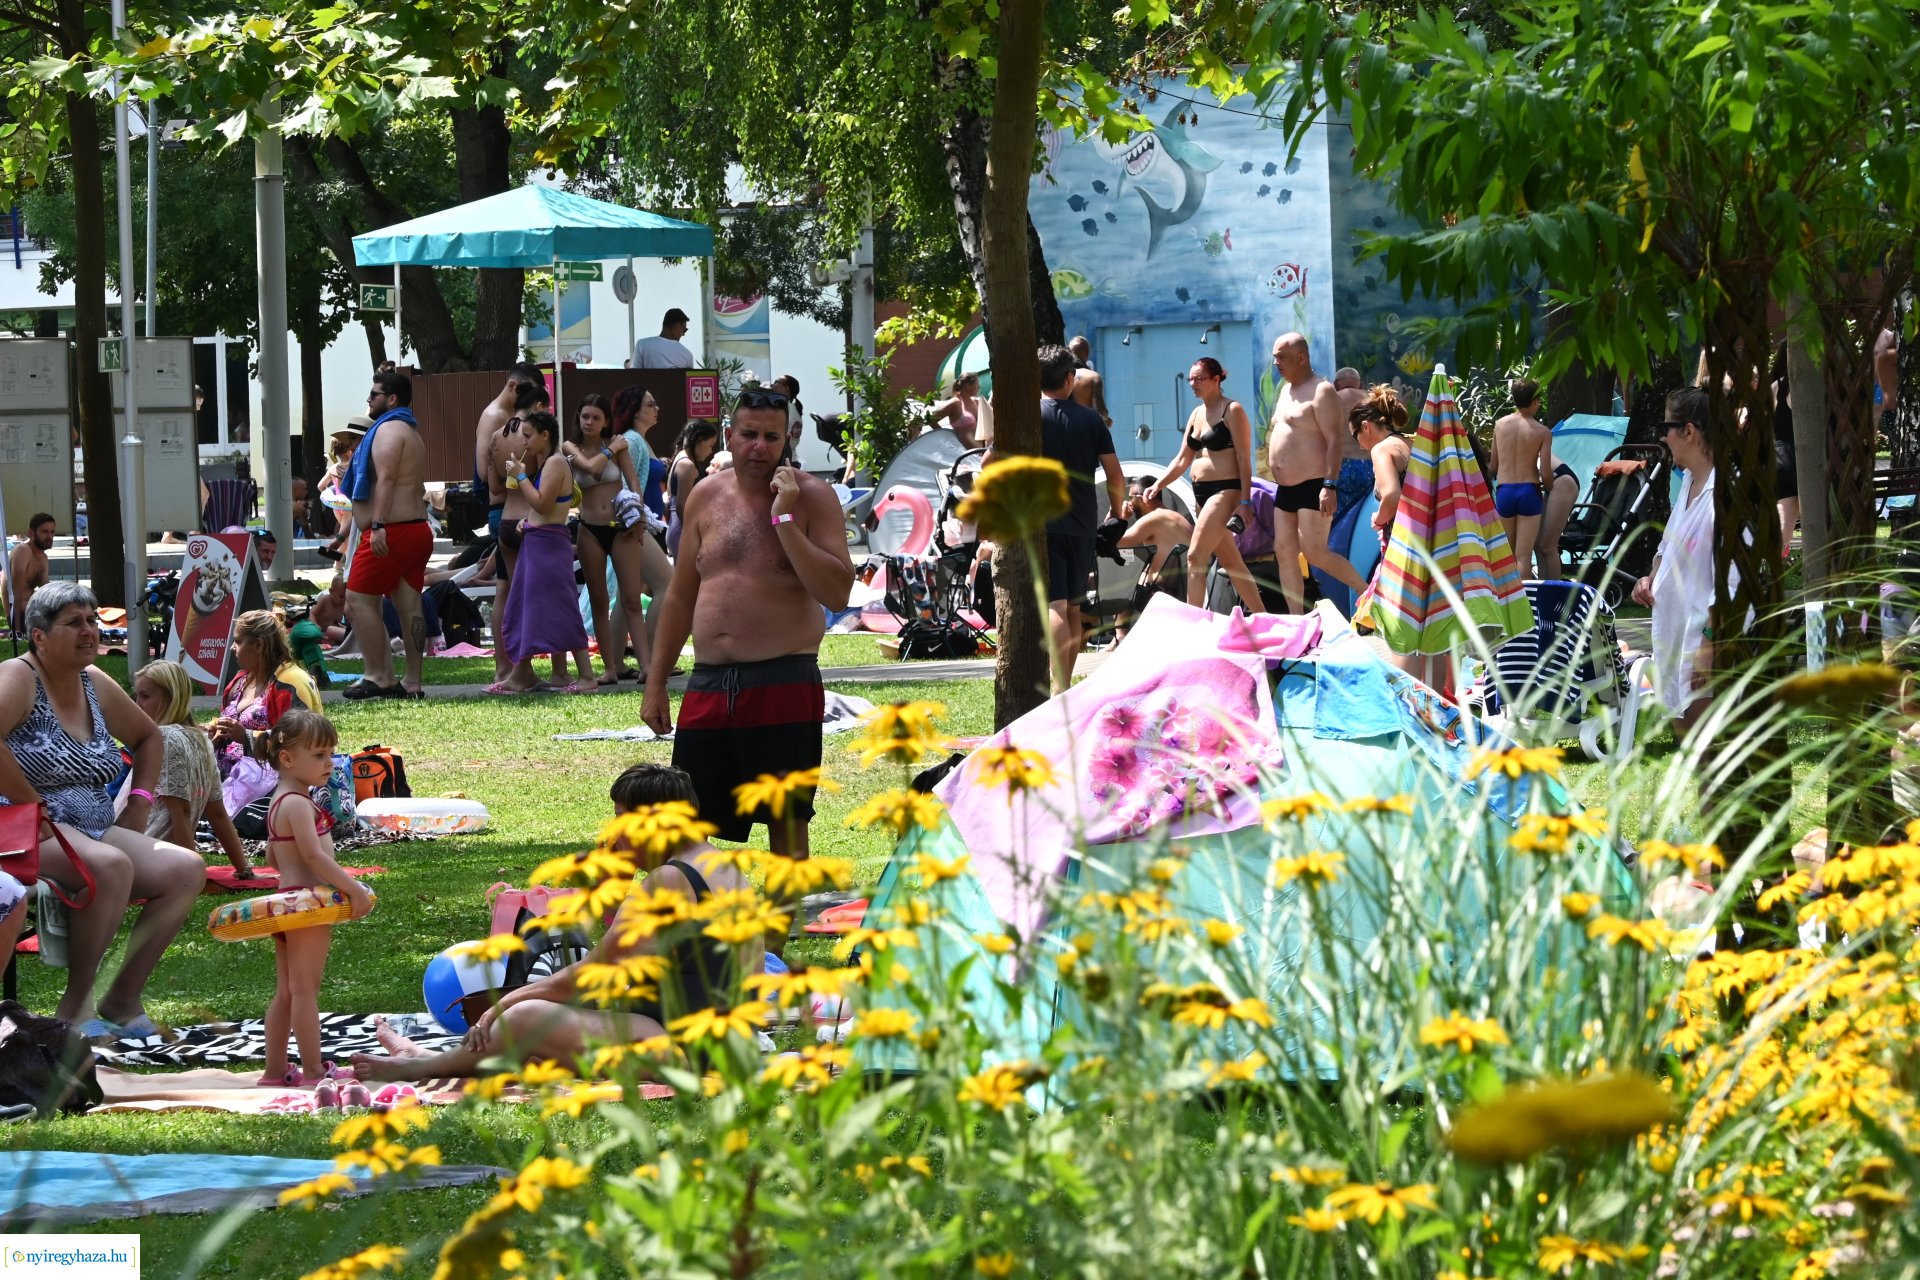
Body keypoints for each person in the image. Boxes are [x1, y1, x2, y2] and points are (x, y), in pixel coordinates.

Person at [352, 764, 760, 1082]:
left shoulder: (670, 880)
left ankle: (417, 1068)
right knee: (547, 1034)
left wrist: (501, 1006)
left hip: (680, 1049)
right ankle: (430, 1059)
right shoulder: (720, 866)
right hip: (724, 1041)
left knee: (525, 1018)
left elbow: (589, 974)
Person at [640, 387, 854, 883]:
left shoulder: (813, 498)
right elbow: (679, 595)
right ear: (729, 436)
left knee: (787, 823)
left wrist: (784, 517)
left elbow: (838, 592)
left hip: (783, 680)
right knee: (689, 821)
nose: (759, 446)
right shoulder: (705, 496)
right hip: (711, 682)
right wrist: (655, 682)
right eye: (749, 434)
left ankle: (773, 951)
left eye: (771, 437)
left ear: (787, 440)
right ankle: (704, 936)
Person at [0, 582, 205, 1036]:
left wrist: (139, 802)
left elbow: (149, 737)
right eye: (75, 623)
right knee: (109, 866)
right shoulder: (17, 677)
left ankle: (122, 999)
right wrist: (30, 801)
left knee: (186, 869)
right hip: (20, 826)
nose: (90, 631)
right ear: (39, 636)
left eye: (92, 620)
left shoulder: (93, 682)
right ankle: (75, 1008)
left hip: (90, 824)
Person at [254, 711, 375, 1087]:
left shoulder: (279, 801)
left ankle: (274, 1071)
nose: (330, 763)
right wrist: (354, 888)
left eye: (331, 753)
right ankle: (312, 1071)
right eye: (320, 755)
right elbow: (314, 857)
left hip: (285, 901)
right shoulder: (297, 803)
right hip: (306, 907)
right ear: (287, 759)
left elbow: (274, 858)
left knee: (287, 991)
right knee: (305, 991)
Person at [1024, 344, 1125, 692]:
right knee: (1073, 606)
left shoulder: (1028, 416)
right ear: (1069, 378)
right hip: (1083, 522)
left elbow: (992, 463)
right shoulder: (1090, 418)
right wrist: (1117, 509)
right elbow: (1115, 474)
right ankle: (1064, 686)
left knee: (1054, 603)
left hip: (1044, 522)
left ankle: (1057, 686)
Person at [1632, 386, 1725, 733]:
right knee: (1690, 758)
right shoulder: (1688, 481)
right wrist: (1650, 579)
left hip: (1699, 649)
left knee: (1707, 759)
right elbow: (1666, 548)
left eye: (1666, 427)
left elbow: (1730, 583)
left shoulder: (1723, 495)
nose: (1663, 436)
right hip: (1673, 642)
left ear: (1689, 431)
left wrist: (1710, 646)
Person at [1142, 357, 1265, 615]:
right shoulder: (1196, 414)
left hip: (1225, 492)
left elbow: (1244, 460)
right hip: (1202, 495)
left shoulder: (1232, 410)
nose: (1193, 384)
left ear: (1216, 379)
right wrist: (1158, 485)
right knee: (1232, 562)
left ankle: (1194, 628)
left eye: (1199, 379)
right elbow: (1182, 458)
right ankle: (1264, 617)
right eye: (1190, 379)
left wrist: (1245, 502)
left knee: (1195, 558)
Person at [341, 369, 430, 700]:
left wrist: (376, 525)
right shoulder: (410, 431)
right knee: (409, 605)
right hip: (414, 529)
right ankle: (413, 682)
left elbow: (388, 480)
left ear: (391, 399)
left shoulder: (389, 431)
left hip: (390, 532)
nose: (368, 399)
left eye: (374, 394)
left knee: (357, 599)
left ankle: (379, 675)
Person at [495, 411, 598, 694]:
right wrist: (526, 522)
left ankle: (586, 677)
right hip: (539, 541)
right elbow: (543, 510)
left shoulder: (554, 463)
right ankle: (533, 674)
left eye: (528, 436)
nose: (524, 441)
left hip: (548, 547)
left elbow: (542, 503)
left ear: (545, 436)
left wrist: (520, 476)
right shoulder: (547, 464)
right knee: (534, 607)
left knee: (560, 608)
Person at [1267, 333, 1367, 613]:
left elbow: (1334, 441)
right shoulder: (1285, 391)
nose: (1277, 363)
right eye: (1274, 357)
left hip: (1314, 484)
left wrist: (1329, 485)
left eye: (1282, 357)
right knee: (1284, 553)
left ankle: (1367, 594)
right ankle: (1297, 621)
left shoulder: (1322, 390)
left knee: (1315, 552)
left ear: (1301, 357)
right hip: (1285, 488)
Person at [561, 393, 654, 686]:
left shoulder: (616, 444)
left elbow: (634, 481)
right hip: (589, 528)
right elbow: (590, 469)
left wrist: (639, 515)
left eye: (595, 418)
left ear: (605, 422)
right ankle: (610, 668)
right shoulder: (570, 447)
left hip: (620, 527)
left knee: (630, 599)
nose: (589, 422)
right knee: (599, 600)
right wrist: (612, 449)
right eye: (585, 416)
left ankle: (646, 666)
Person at [131, 659, 251, 880]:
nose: (137, 704)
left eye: (145, 696)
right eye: (136, 696)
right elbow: (217, 813)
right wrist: (244, 868)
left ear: (170, 697)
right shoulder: (201, 738)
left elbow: (180, 813)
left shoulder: (165, 737)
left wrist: (191, 876)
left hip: (150, 855)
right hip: (161, 855)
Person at [208, 610, 324, 778]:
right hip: (230, 785)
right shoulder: (241, 678)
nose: (233, 647)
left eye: (238, 641)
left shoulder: (291, 683)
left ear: (258, 645)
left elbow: (301, 740)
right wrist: (214, 728)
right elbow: (232, 720)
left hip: (271, 789)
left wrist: (247, 737)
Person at [1491, 379, 1555, 577]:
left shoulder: (1500, 425)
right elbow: (1545, 472)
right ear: (1535, 401)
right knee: (1523, 556)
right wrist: (1550, 487)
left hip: (1505, 491)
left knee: (1507, 555)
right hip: (1529, 491)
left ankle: (1506, 603)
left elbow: (1493, 466)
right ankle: (1526, 604)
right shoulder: (1542, 432)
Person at [1116, 481, 1193, 635]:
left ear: (1146, 498)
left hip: (1158, 590)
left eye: (1131, 497)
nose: (1129, 502)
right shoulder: (1177, 517)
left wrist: (1122, 518)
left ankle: (1119, 638)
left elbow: (1116, 543)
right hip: (1184, 591)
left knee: (1118, 582)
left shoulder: (1153, 518)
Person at [1348, 386, 1413, 560]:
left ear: (1365, 427)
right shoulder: (1412, 442)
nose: (1360, 446)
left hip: (1406, 547)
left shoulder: (1381, 450)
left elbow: (1392, 496)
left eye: (1356, 437)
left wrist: (1378, 519)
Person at [666, 420, 721, 559]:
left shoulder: (681, 456)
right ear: (700, 440)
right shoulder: (687, 465)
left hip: (676, 526)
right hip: (682, 528)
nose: (710, 452)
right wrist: (694, 533)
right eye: (710, 445)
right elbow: (681, 507)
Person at [1330, 367, 1374, 513]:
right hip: (1369, 467)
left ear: (1335, 385)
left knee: (1339, 519)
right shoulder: (1372, 401)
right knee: (1365, 516)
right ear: (1360, 385)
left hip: (1339, 467)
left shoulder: (1330, 400)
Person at [7, 513, 53, 635]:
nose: (49, 536)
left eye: (52, 532)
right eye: (45, 532)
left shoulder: (43, 558)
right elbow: (16, 593)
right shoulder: (22, 551)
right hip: (18, 617)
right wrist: (16, 631)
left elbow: (46, 592)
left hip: (33, 614)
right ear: (31, 533)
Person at [1536, 462, 1581, 579]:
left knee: (1547, 546)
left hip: (1561, 479)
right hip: (1549, 479)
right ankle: (1543, 589)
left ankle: (1554, 591)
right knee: (1538, 546)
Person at [927, 373, 987, 450]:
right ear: (968, 386)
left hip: (982, 450)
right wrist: (947, 436)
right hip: (964, 453)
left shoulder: (976, 402)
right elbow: (931, 420)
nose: (979, 386)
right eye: (977, 384)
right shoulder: (954, 404)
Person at [631, 308, 696, 369]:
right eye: (684, 330)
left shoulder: (642, 345)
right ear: (676, 326)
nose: (683, 334)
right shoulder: (687, 355)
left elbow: (634, 375)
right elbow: (689, 380)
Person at [1068, 335, 1111, 427]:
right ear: (1087, 353)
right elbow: (1101, 411)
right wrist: (1107, 419)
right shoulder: (1092, 377)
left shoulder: (1059, 376)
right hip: (1085, 431)